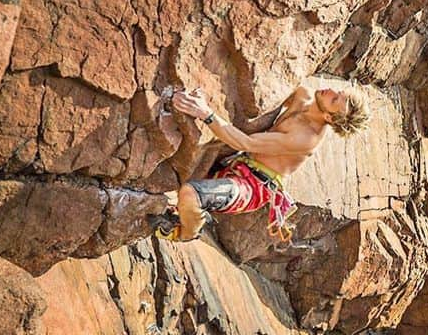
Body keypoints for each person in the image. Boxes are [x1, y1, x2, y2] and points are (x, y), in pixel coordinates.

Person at [153, 84, 369, 242]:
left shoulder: (306, 139)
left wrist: (204, 112)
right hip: (237, 161)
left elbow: (246, 142)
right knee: (181, 181)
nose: (330, 91)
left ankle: (189, 232)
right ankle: (182, 211)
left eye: (333, 100)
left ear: (330, 118)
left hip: (253, 187)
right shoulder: (302, 95)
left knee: (191, 195)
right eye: (337, 93)